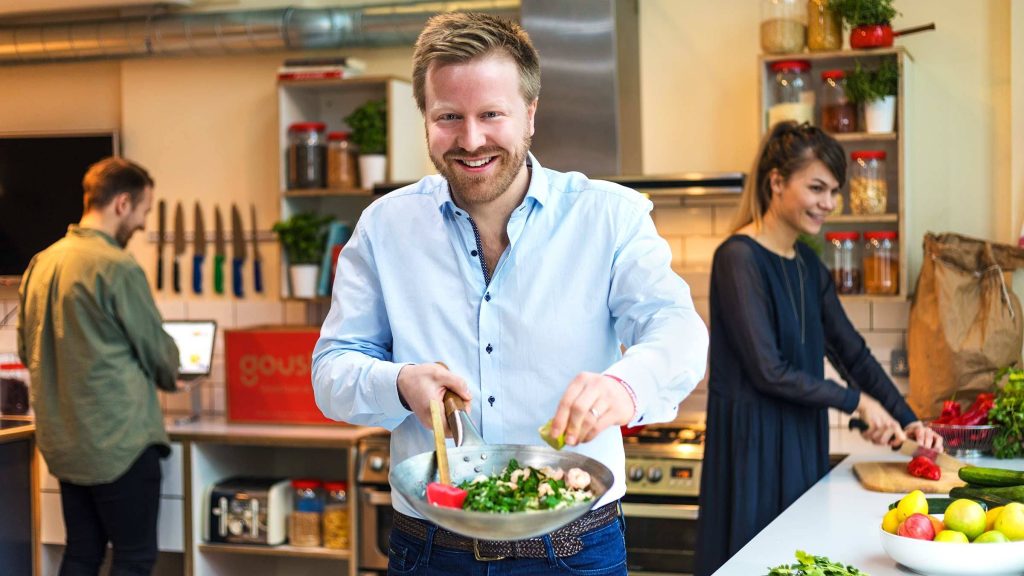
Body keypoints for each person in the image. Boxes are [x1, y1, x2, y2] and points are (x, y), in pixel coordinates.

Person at [312, 12, 708, 576]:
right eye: (449, 117)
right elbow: (331, 371)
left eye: (491, 114)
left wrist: (626, 385)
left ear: (529, 115)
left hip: (574, 550)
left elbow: (679, 330)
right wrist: (398, 384)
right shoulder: (384, 227)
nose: (471, 140)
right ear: (425, 118)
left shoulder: (608, 217)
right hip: (429, 551)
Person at [693, 122, 943, 576]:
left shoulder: (808, 262)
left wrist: (908, 419)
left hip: (803, 443)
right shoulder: (737, 258)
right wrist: (857, 403)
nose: (828, 203)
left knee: (801, 561)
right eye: (816, 188)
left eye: (834, 191)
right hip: (754, 451)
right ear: (776, 183)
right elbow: (768, 369)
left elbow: (853, 354)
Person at [18, 156, 180, 576]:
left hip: (67, 443)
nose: (142, 224)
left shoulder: (42, 262)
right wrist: (172, 371)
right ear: (122, 204)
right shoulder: (116, 266)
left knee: (82, 553)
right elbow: (159, 353)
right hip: (119, 443)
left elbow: (24, 345)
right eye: (144, 211)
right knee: (134, 556)